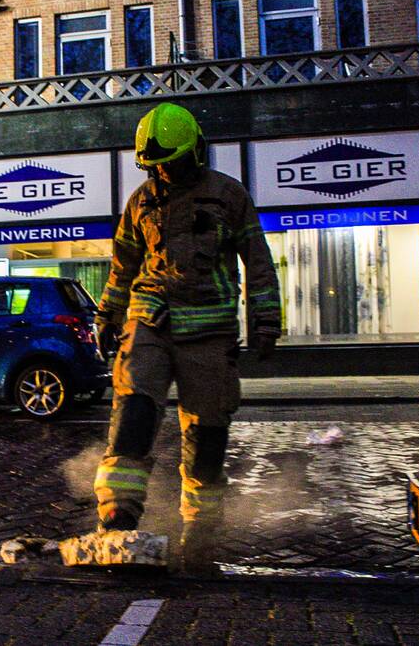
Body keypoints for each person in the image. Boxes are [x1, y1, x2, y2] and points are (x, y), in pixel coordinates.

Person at [91, 102, 281, 572]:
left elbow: (257, 260)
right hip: (150, 322)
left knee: (207, 434)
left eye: (170, 165)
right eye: (155, 167)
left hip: (209, 334)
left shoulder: (228, 196)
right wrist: (108, 315)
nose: (164, 175)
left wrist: (266, 319)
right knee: (134, 413)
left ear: (195, 152)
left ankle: (200, 533)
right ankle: (117, 519)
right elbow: (123, 266)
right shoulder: (141, 201)